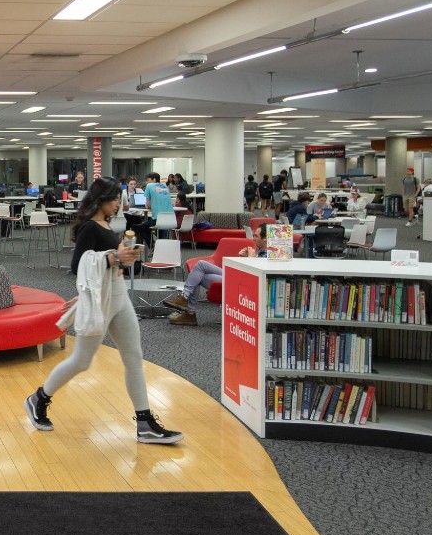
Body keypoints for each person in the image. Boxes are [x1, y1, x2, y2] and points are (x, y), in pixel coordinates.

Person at [23, 176, 182, 445]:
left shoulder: (108, 225)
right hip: (102, 301)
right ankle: (38, 398)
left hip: (117, 295)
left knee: (134, 357)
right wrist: (113, 258)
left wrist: (121, 259)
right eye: (114, 198)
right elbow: (78, 265)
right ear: (101, 199)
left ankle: (145, 424)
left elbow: (99, 267)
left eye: (119, 198)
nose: (118, 203)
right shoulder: (89, 228)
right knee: (81, 362)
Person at [164, 225, 271, 326]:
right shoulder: (260, 250)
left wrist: (251, 260)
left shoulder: (270, 255)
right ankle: (187, 306)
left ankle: (188, 308)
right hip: (234, 276)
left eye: (256, 236)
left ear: (265, 239)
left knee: (199, 269)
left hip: (239, 283)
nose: (253, 238)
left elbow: (254, 277)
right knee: (199, 271)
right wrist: (243, 258)